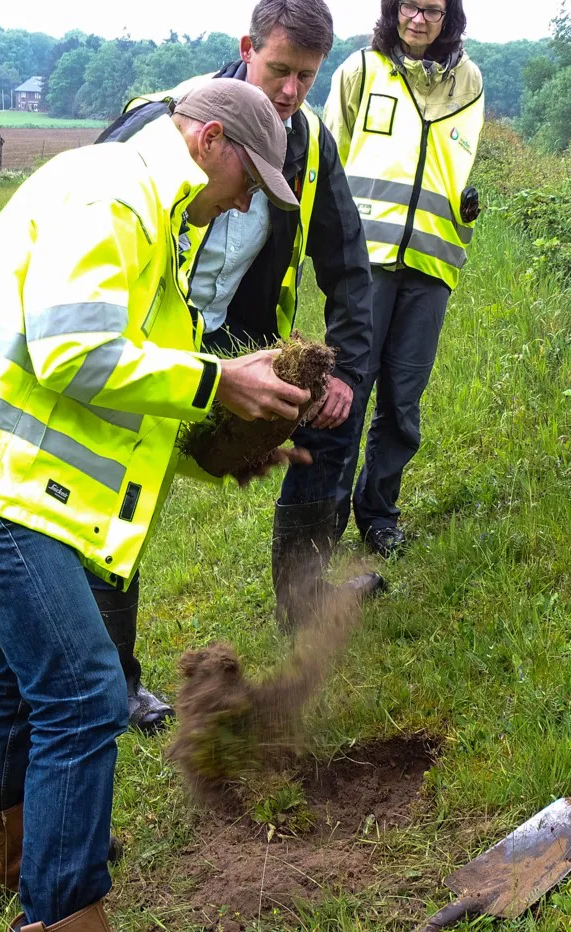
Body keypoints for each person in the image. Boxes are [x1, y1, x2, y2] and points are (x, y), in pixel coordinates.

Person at [0, 79, 312, 932]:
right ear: (209, 140)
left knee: (20, 680)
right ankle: (64, 908)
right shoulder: (114, 188)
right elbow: (73, 352)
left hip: (6, 479)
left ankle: (4, 863)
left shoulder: (145, 212)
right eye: (249, 182)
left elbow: (124, 396)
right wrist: (218, 380)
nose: (244, 205)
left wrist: (218, 455)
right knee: (84, 694)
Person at [96, 0, 385, 720]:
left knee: (332, 412)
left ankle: (305, 599)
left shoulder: (310, 142)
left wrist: (344, 371)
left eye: (306, 78)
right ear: (246, 47)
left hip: (239, 340)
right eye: (279, 69)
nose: (289, 92)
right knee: (121, 495)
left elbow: (348, 265)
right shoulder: (164, 118)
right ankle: (118, 682)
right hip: (153, 337)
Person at [321, 0, 484, 557]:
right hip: (364, 264)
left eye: (433, 10)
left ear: (449, 17)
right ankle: (325, 514)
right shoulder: (360, 71)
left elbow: (458, 165)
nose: (419, 19)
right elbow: (327, 161)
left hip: (432, 266)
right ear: (393, 10)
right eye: (410, 6)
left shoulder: (470, 82)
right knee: (349, 389)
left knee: (403, 401)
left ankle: (379, 513)